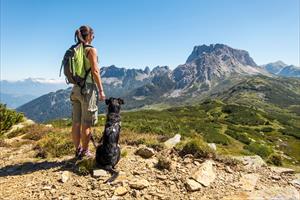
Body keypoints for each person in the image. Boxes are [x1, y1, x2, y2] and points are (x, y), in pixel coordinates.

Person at [70, 25, 106, 158]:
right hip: (88, 89)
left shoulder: (75, 49)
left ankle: (78, 150)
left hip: (75, 88)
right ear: (89, 35)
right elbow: (95, 71)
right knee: (86, 123)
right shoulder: (91, 50)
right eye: (93, 34)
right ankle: (85, 153)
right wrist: (101, 90)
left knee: (76, 122)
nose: (94, 37)